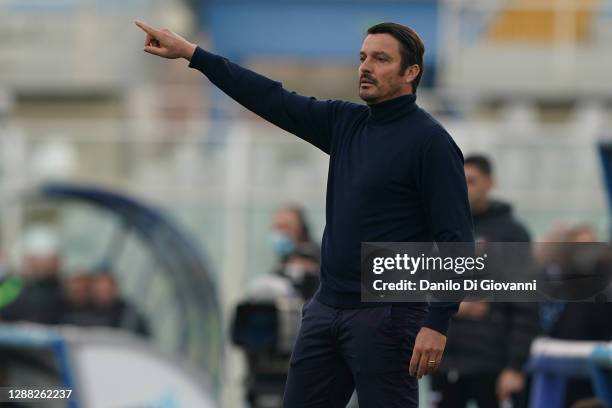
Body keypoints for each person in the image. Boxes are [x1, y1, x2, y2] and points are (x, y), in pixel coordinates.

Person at [135, 20, 473, 407]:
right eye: (362, 57)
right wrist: (193, 55)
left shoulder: (431, 143)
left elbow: (456, 241)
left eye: (381, 59)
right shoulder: (346, 123)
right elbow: (271, 98)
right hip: (326, 308)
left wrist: (437, 322)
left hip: (388, 316)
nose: (365, 67)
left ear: (411, 72)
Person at [431, 154, 539, 408]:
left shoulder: (511, 234)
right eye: (459, 181)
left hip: (493, 365)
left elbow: (525, 304)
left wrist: (514, 367)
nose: (464, 187)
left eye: (471, 180)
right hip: (444, 363)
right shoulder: (439, 228)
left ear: (490, 183)